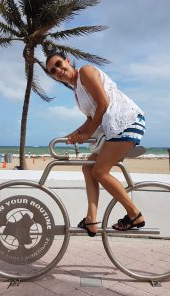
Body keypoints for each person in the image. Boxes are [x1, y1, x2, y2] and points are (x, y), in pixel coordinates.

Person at [43, 52, 146, 236]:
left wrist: (88, 133)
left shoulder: (86, 72)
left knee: (99, 171)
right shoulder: (77, 92)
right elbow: (91, 117)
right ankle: (91, 219)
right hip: (113, 128)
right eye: (53, 71)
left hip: (126, 121)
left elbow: (103, 103)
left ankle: (134, 214)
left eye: (59, 64)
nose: (58, 70)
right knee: (87, 168)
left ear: (67, 61)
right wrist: (75, 134)